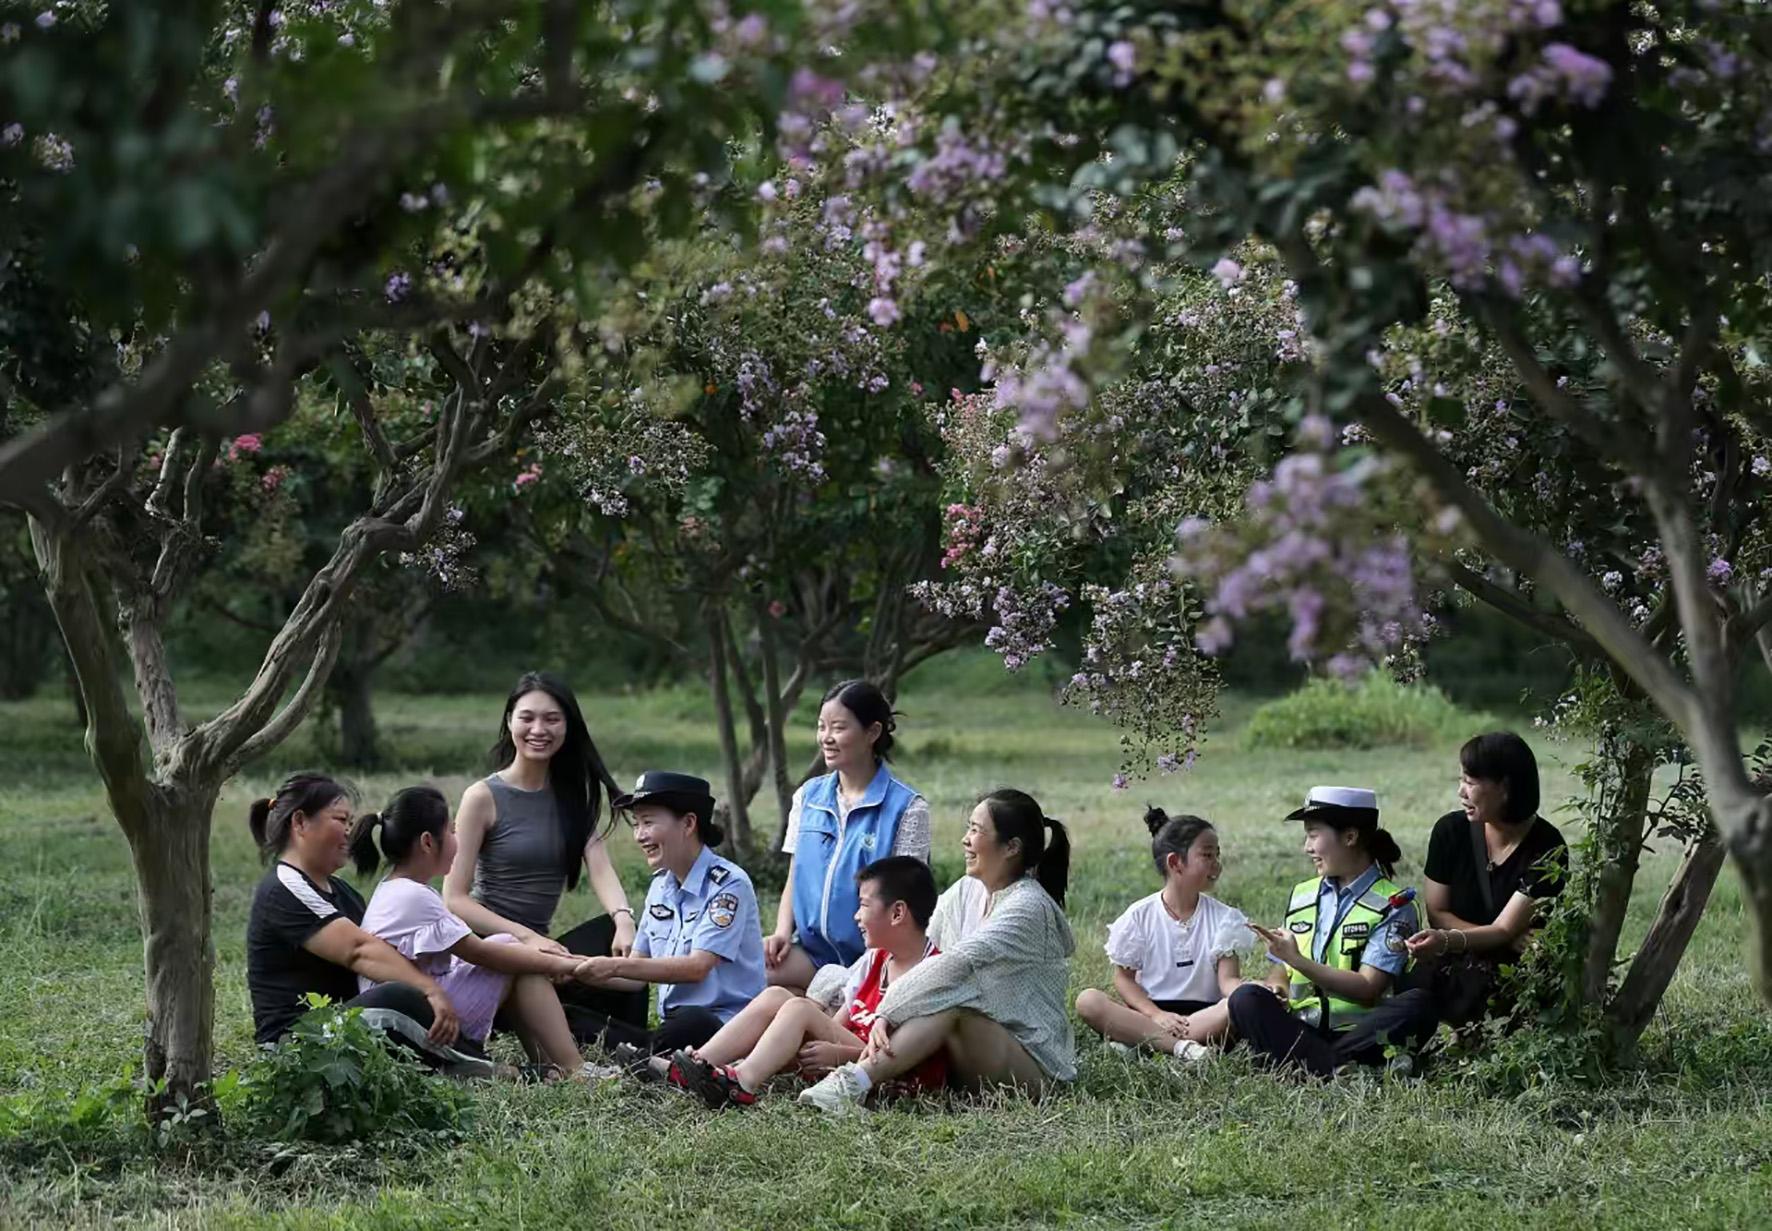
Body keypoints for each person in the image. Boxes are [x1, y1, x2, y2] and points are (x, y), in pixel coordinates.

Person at [797, 789, 1075, 1116]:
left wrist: (887, 1011)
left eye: (976, 830)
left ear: (1011, 847)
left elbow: (955, 965)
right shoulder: (967, 891)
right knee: (930, 996)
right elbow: (914, 940)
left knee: (948, 1003)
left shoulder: (1028, 907)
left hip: (1032, 1068)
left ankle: (852, 1083)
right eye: (968, 828)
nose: (965, 840)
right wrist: (836, 990)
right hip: (969, 1051)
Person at [350, 785, 614, 1080]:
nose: (457, 840)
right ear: (427, 842)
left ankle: (553, 1064)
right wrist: (566, 965)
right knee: (513, 955)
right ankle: (574, 1067)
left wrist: (543, 957)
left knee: (512, 950)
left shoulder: (397, 889)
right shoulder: (413, 896)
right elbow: (481, 953)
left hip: (418, 1006)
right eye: (451, 831)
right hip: (422, 1019)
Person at [442, 672, 647, 1044]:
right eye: (527, 718)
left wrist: (623, 919)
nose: (539, 729)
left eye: (552, 719)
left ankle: (634, 1041)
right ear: (510, 721)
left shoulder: (572, 796)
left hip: (546, 950)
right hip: (493, 948)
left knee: (630, 953)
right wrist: (527, 939)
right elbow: (454, 898)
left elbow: (601, 868)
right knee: (557, 979)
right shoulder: (482, 797)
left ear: (568, 726)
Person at [244, 772, 481, 1073]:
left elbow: (381, 949)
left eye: (350, 821)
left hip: (344, 1025)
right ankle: (486, 1069)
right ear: (300, 822)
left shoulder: (342, 891)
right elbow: (359, 950)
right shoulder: (284, 887)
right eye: (340, 820)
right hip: (297, 1046)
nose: (349, 831)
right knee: (398, 996)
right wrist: (430, 990)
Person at [671, 856, 945, 1109]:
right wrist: (818, 1042)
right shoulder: (876, 959)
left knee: (800, 1009)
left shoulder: (933, 972)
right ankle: (695, 1065)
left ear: (897, 913)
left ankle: (741, 1082)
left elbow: (908, 1052)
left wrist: (839, 1055)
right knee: (776, 996)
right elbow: (839, 1021)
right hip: (848, 1056)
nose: (856, 916)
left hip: (885, 1076)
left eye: (863, 905)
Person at [1228, 786, 1426, 1078]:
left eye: (1313, 835)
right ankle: (1337, 1068)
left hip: (1361, 1032)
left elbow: (1368, 988)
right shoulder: (1303, 894)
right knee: (1245, 998)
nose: (1306, 848)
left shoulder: (1394, 904)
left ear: (1350, 837)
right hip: (1302, 1025)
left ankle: (1311, 1064)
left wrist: (1297, 961)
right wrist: (1277, 988)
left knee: (1419, 1004)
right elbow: (1281, 968)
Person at [571, 771, 767, 1060]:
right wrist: (575, 968)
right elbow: (636, 975)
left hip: (722, 1027)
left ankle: (643, 1057)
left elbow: (697, 967)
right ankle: (647, 1056)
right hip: (673, 1026)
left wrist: (612, 966)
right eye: (636, 824)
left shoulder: (728, 885)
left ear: (688, 823)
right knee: (568, 1016)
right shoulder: (661, 885)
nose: (640, 835)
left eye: (648, 822)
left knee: (692, 1022)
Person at [765, 680, 931, 994]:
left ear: (873, 732)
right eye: (821, 727)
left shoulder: (908, 809)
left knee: (801, 1007)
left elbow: (906, 904)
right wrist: (782, 932)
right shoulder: (808, 797)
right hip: (811, 954)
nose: (826, 737)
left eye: (839, 728)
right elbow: (795, 873)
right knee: (746, 975)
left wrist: (865, 968)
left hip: (874, 961)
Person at [1404, 732, 1569, 1024]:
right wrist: (1499, 937)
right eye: (1461, 780)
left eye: (1470, 782)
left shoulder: (1547, 848)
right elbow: (1438, 912)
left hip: (1510, 974)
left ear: (1504, 788)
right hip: (1453, 961)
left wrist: (1451, 939)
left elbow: (1503, 930)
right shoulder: (1450, 832)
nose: (1461, 792)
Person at [1076, 808, 1248, 1065]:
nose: (1217, 864)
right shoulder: (1139, 916)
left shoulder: (1225, 918)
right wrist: (1156, 1015)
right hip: (1150, 1014)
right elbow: (1124, 980)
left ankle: (1143, 1041)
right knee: (1088, 1001)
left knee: (1235, 1005)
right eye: (1207, 855)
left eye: (1217, 854)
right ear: (1175, 862)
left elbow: (1228, 981)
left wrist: (1250, 991)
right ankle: (1181, 1048)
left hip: (1204, 1018)